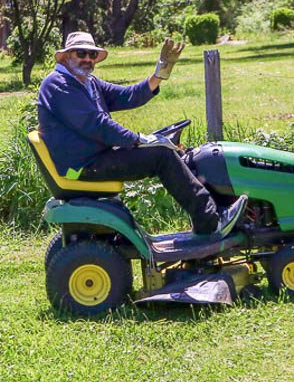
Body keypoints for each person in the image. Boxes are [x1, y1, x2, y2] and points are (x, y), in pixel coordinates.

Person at [37, 31, 246, 237]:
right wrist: (139, 140)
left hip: (95, 157)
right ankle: (210, 222)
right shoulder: (59, 85)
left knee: (183, 154)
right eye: (81, 53)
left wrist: (159, 75)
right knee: (161, 156)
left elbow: (127, 96)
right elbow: (97, 125)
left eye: (92, 55)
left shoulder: (87, 82)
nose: (88, 59)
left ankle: (220, 209)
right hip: (81, 166)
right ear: (66, 56)